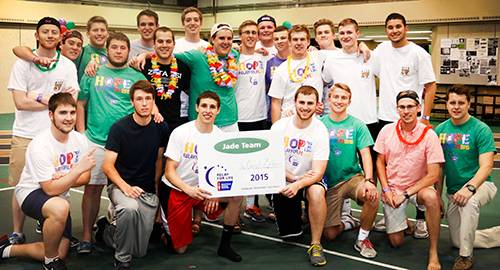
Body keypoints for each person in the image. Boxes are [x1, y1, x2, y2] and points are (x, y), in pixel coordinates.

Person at [0, 93, 95, 270]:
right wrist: (75, 171)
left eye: (73, 112)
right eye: (63, 112)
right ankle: (50, 263)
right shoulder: (40, 145)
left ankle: (7, 250)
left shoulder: (80, 140)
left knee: (62, 254)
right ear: (51, 115)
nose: (69, 118)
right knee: (60, 207)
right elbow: (50, 189)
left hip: (59, 196)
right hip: (31, 193)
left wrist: (66, 178)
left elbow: (85, 178)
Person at [6, 17, 79, 247]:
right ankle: (17, 232)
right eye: (45, 31)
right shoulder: (22, 64)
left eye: (54, 32)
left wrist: (36, 96)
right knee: (21, 185)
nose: (50, 35)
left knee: (55, 183)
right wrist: (52, 101)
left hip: (56, 138)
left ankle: (49, 222)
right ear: (36, 36)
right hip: (25, 134)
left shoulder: (67, 65)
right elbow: (20, 102)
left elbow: (72, 100)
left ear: (60, 37)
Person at [76, 32, 149, 254]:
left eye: (123, 48)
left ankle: (117, 231)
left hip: (127, 144)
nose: (118, 51)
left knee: (125, 189)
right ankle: (87, 236)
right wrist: (82, 135)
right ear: (106, 50)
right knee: (93, 189)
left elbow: (147, 103)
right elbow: (81, 104)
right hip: (96, 140)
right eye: (114, 47)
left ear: (129, 51)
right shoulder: (93, 71)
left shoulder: (137, 76)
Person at [160, 90, 244, 262]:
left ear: (218, 110)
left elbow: (224, 171)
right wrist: (187, 189)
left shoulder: (221, 138)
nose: (208, 110)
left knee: (236, 195)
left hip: (203, 191)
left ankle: (225, 246)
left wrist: (216, 192)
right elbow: (169, 171)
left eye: (212, 107)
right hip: (177, 189)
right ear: (197, 108)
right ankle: (161, 230)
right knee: (180, 249)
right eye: (204, 106)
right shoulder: (181, 133)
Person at [374, 13, 437, 237]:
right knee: (390, 169)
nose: (394, 30)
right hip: (387, 118)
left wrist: (425, 117)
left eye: (398, 27)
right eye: (390, 27)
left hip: (413, 119)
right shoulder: (380, 50)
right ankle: (390, 212)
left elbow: (430, 85)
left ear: (406, 28)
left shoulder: (418, 53)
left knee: (417, 168)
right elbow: (361, 61)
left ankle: (420, 219)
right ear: (386, 30)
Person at [96, 80, 168, 270]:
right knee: (128, 208)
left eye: (148, 99)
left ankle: (106, 231)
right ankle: (122, 260)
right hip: (120, 186)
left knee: (140, 251)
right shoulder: (119, 128)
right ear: (131, 102)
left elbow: (158, 160)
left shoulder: (161, 127)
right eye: (139, 99)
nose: (144, 103)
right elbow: (108, 167)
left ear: (153, 102)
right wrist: (125, 188)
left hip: (146, 190)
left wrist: (156, 191)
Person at [374, 90, 444, 270]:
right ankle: (405, 222)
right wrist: (386, 190)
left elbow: (433, 175)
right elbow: (380, 163)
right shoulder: (387, 131)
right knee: (396, 242)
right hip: (394, 189)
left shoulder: (430, 135)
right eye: (402, 107)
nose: (406, 111)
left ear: (418, 108)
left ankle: (433, 252)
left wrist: (405, 195)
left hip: (418, 188)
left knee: (431, 197)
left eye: (410, 106)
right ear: (397, 109)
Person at [321, 18, 380, 224]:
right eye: (342, 33)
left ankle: (371, 205)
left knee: (369, 165)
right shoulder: (331, 60)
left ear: (357, 34)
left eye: (350, 32)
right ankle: (344, 213)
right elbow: (324, 81)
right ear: (337, 36)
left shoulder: (371, 57)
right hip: (341, 122)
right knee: (338, 164)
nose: (346, 36)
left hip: (368, 121)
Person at [435, 84, 499, 270]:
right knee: (458, 240)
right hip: (453, 193)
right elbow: (440, 168)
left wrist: (470, 188)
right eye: (452, 102)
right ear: (446, 104)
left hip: (481, 186)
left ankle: (466, 256)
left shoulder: (481, 129)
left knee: (469, 203)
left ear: (469, 104)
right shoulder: (440, 130)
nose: (456, 107)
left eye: (461, 103)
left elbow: (486, 167)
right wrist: (439, 196)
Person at [271, 86, 329, 266]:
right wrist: (295, 180)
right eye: (301, 102)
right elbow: (271, 163)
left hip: (310, 179)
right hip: (286, 178)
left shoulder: (320, 129)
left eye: (310, 103)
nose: (305, 107)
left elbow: (318, 172)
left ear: (317, 105)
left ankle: (316, 244)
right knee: (290, 237)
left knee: (316, 193)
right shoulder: (279, 126)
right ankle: (301, 216)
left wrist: (300, 184)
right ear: (294, 103)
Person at [320, 83, 379, 259]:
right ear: (329, 100)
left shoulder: (357, 125)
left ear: (349, 101)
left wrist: (369, 180)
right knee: (329, 235)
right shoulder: (319, 124)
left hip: (352, 177)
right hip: (330, 183)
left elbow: (366, 155)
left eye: (343, 98)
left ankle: (362, 239)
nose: (339, 101)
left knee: (372, 195)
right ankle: (348, 222)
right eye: (336, 97)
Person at [175, 23, 240, 132]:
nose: (226, 42)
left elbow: (248, 49)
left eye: (229, 38)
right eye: (221, 38)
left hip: (230, 120)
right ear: (213, 39)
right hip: (201, 121)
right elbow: (167, 54)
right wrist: (144, 55)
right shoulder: (197, 56)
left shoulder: (234, 55)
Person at [12, 16, 109, 82]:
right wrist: (36, 59)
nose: (99, 33)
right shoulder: (81, 52)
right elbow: (18, 49)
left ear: (108, 33)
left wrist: (98, 65)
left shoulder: (112, 54)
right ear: (88, 34)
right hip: (82, 105)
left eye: (102, 30)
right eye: (95, 30)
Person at [133, 27, 191, 133]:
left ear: (174, 44)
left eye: (168, 41)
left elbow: (191, 92)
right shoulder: (143, 65)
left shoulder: (183, 68)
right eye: (160, 41)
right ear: (153, 44)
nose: (164, 45)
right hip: (147, 125)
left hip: (173, 126)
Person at [268, 25, 329, 123]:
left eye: (302, 39)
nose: (299, 43)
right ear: (289, 42)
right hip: (289, 121)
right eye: (295, 39)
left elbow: (342, 53)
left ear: (308, 42)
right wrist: (276, 131)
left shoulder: (318, 57)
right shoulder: (281, 70)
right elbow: (276, 102)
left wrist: (361, 45)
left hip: (314, 121)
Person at [174, 7, 209, 124]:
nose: (192, 23)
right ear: (183, 24)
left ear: (201, 23)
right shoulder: (175, 45)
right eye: (188, 20)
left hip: (202, 106)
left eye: (196, 20)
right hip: (179, 105)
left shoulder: (209, 47)